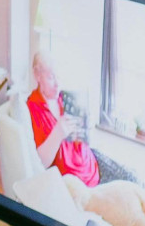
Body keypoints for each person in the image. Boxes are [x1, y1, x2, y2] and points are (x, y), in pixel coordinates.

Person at [27, 52, 100, 187]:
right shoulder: (33, 109)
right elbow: (39, 163)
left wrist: (88, 126)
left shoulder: (65, 98)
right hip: (70, 184)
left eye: (59, 77)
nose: (57, 84)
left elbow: (81, 140)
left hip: (89, 169)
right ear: (37, 76)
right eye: (51, 78)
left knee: (130, 178)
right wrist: (58, 133)